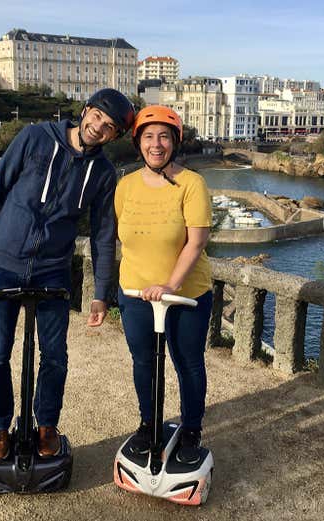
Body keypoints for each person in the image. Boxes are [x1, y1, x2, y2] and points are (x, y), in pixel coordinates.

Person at [0, 89, 135, 460]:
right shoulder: (35, 138)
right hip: (4, 262)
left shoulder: (104, 173)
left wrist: (100, 293)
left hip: (53, 270)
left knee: (55, 355)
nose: (98, 128)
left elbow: (105, 234)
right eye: (97, 117)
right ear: (85, 111)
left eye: (109, 128)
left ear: (114, 136)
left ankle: (47, 426)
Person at [114, 105, 213, 464]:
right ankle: (148, 422)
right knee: (143, 362)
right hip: (136, 293)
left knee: (188, 362)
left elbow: (197, 241)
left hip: (185, 294)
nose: (156, 144)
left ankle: (191, 429)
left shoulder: (192, 184)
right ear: (138, 142)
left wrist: (171, 284)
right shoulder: (125, 186)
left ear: (175, 141)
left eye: (164, 137)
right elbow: (123, 238)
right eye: (149, 136)